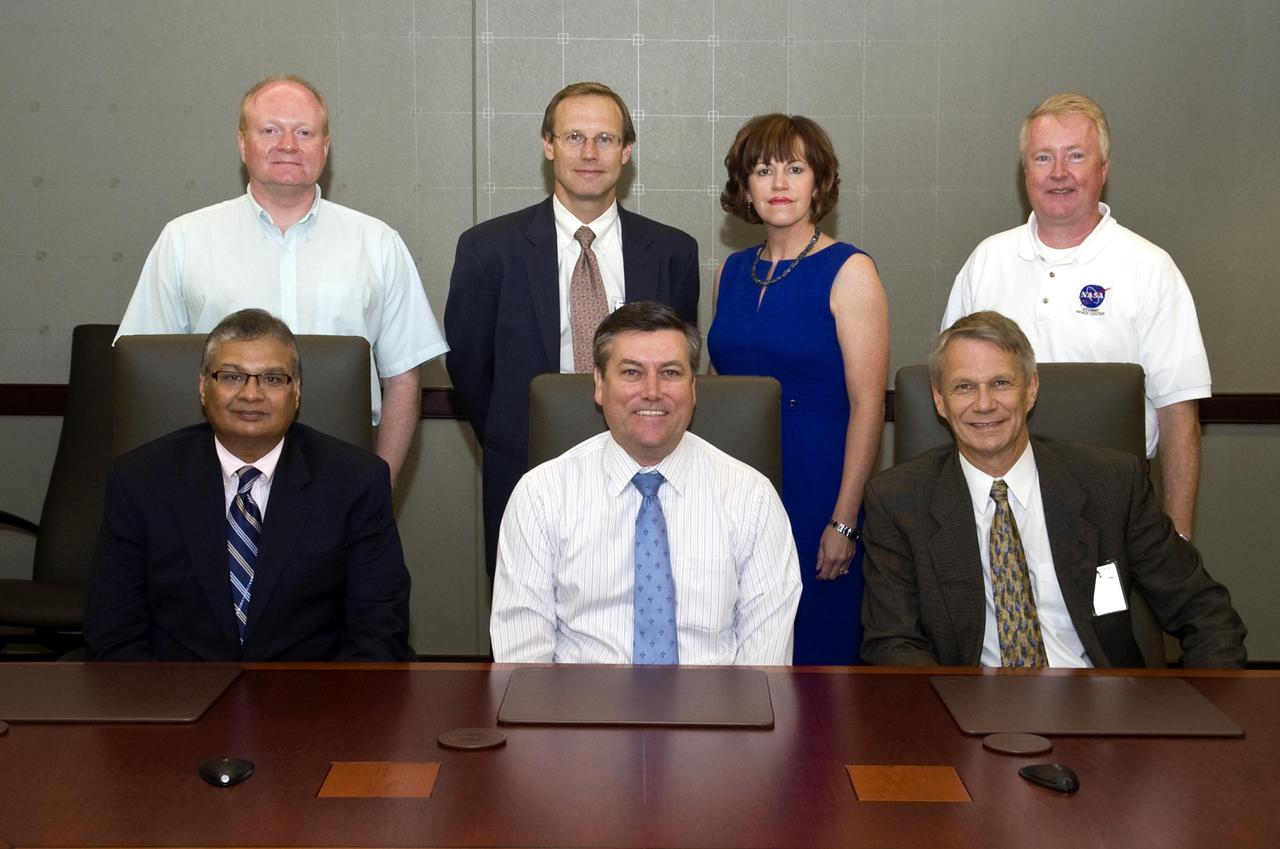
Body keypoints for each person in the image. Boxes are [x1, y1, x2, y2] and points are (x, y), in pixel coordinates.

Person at [860, 311, 1245, 668]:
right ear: (939, 401)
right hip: (969, 711)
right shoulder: (897, 500)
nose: (983, 404)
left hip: (1102, 708)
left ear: (1030, 390)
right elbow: (893, 643)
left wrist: (1201, 712)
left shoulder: (1111, 484)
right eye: (964, 387)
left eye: (1000, 383)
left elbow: (1205, 611)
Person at [116, 74, 446, 485]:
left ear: (325, 147)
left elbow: (403, 380)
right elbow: (148, 374)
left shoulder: (378, 243)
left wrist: (379, 487)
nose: (288, 144)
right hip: (207, 470)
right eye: (271, 129)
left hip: (341, 465)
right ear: (242, 143)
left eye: (304, 132)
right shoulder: (184, 239)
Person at [445, 81, 700, 576]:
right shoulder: (487, 249)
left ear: (626, 151)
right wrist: (511, 436)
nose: (589, 153)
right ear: (548, 145)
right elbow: (470, 367)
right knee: (526, 622)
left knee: (642, 603)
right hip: (525, 466)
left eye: (605, 139)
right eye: (573, 137)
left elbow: (678, 366)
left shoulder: (673, 252)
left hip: (645, 466)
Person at [943, 92, 1209, 539]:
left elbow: (1178, 411)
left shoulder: (1149, 268)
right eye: (1043, 157)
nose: (1059, 173)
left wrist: (1178, 541)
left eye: (1076, 156)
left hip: (1111, 507)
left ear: (1103, 169)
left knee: (1105, 612)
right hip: (993, 503)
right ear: (1025, 171)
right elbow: (953, 389)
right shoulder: (987, 261)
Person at [84, 309, 414, 662]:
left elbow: (378, 631)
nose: (251, 394)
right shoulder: (140, 481)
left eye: (272, 379)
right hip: (177, 701)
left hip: (312, 701)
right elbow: (114, 631)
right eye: (231, 376)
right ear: (202, 386)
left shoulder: (355, 481)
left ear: (297, 391)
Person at [490, 302, 801, 664]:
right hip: (578, 716)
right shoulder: (540, 496)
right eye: (632, 372)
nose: (652, 391)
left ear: (693, 388)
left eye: (670, 372)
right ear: (599, 385)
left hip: (714, 716)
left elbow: (764, 670)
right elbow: (523, 667)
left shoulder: (753, 499)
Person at [707, 114, 888, 665]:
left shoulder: (850, 270)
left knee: (816, 650)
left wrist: (844, 519)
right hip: (735, 489)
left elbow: (868, 405)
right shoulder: (731, 272)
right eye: (763, 170)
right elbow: (719, 393)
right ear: (745, 186)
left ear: (819, 181)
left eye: (795, 168)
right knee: (734, 639)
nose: (779, 183)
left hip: (818, 487)